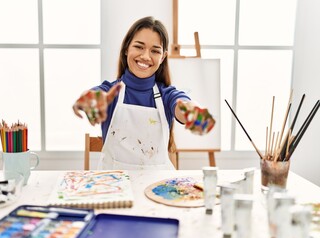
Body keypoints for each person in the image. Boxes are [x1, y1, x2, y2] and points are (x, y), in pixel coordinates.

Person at [73, 16, 215, 170]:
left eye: (155, 51)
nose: (146, 56)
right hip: (114, 187)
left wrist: (193, 112)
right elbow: (94, 96)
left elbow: (183, 104)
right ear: (127, 48)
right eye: (139, 47)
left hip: (157, 188)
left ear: (162, 58)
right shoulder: (110, 92)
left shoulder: (166, 95)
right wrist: (89, 101)